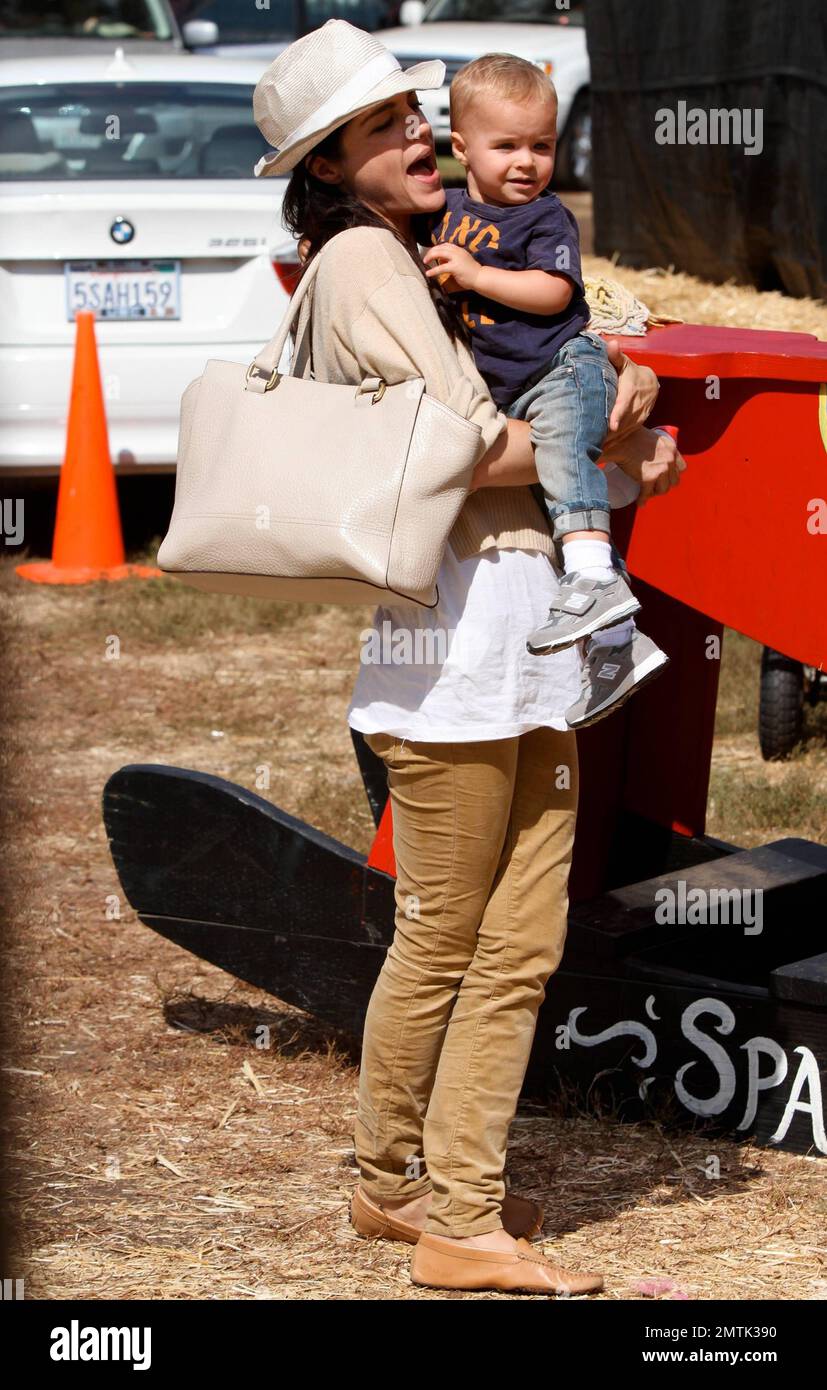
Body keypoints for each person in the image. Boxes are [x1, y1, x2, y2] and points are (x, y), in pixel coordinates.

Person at [252, 19, 683, 1296]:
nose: (417, 139)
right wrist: (601, 439)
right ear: (330, 164)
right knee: (482, 941)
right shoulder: (362, 269)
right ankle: (455, 1219)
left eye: (413, 116)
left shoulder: (412, 257)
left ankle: (400, 1189)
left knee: (464, 937)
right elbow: (457, 447)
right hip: (461, 656)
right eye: (384, 128)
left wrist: (599, 406)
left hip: (502, 639)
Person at [423, 53, 669, 730]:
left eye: (541, 145)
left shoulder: (546, 220)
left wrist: (474, 277)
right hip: (513, 391)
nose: (526, 162)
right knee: (556, 502)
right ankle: (619, 645)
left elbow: (553, 292)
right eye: (505, 146)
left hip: (563, 370)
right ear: (461, 147)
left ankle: (592, 580)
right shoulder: (443, 210)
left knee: (563, 459)